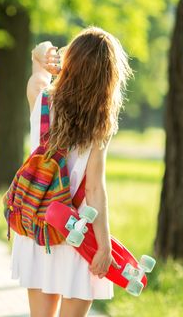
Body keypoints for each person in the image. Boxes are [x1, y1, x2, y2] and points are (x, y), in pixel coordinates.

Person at [11, 27, 133, 317]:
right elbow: (94, 191)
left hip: (39, 227)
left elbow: (39, 57)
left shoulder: (40, 100)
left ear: (71, 63)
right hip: (75, 234)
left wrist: (47, 55)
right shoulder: (99, 126)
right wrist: (103, 246)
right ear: (108, 77)